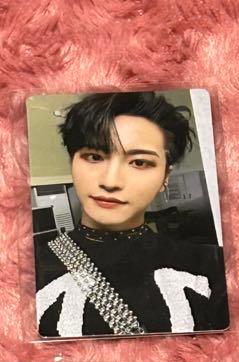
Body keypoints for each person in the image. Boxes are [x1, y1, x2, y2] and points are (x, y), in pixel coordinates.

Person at [33, 91, 228, 338]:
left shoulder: (215, 267)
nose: (110, 181)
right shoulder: (25, 269)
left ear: (165, 177)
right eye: (94, 157)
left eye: (139, 162)